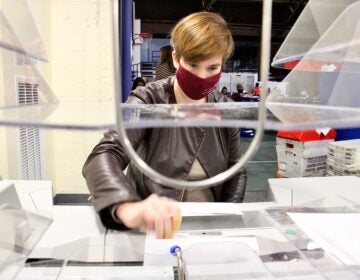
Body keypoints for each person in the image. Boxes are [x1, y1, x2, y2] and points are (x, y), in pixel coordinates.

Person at [83, 12, 247, 239]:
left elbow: (236, 170)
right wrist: (126, 205)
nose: (202, 75)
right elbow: (105, 153)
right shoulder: (148, 99)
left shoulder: (225, 108)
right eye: (192, 64)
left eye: (212, 68)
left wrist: (226, 220)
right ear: (175, 58)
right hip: (153, 226)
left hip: (208, 225)